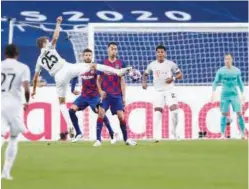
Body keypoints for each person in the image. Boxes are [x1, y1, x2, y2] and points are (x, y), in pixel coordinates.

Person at [32, 16, 131, 138]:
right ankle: (117, 71)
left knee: (62, 103)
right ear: (44, 44)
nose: (48, 41)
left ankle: (70, 126)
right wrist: (58, 23)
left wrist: (34, 91)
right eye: (46, 41)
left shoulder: (38, 60)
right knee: (93, 65)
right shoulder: (49, 47)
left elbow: (35, 78)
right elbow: (56, 36)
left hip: (58, 77)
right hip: (66, 67)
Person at [69, 48, 116, 143]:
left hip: (94, 96)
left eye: (89, 55)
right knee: (71, 110)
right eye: (86, 55)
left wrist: (102, 91)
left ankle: (111, 133)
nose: (88, 56)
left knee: (100, 113)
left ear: (92, 56)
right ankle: (78, 133)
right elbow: (74, 77)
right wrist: (72, 89)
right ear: (83, 56)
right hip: (84, 96)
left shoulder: (95, 67)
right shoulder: (80, 67)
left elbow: (102, 79)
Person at [95, 42, 137, 147]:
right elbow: (98, 79)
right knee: (101, 113)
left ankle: (126, 139)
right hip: (106, 95)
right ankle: (98, 140)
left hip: (117, 95)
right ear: (108, 50)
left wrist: (123, 96)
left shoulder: (121, 63)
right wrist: (100, 91)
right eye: (112, 48)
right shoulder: (102, 63)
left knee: (121, 117)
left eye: (115, 49)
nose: (114, 50)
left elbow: (122, 80)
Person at [1, 44, 31, 180]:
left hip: (0, 102)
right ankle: (6, 172)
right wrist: (27, 102)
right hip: (14, 105)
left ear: (5, 54)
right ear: (17, 54)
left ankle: (6, 173)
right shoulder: (23, 67)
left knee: (1, 136)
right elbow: (26, 88)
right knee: (13, 138)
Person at [142, 45, 183, 141]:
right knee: (157, 112)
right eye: (158, 52)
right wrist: (144, 82)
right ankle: (156, 136)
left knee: (175, 111)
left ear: (165, 53)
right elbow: (145, 74)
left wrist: (173, 78)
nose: (160, 54)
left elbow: (180, 75)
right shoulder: (152, 65)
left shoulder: (171, 64)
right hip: (158, 91)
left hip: (169, 90)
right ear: (156, 53)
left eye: (162, 52)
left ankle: (174, 132)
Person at [211, 53, 246, 139]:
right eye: (226, 59)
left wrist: (242, 94)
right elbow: (215, 82)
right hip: (224, 96)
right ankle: (222, 134)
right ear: (224, 60)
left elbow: (240, 83)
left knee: (239, 113)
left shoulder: (237, 71)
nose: (227, 60)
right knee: (224, 114)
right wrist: (213, 92)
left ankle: (243, 134)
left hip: (234, 95)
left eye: (229, 59)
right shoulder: (220, 71)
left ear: (232, 60)